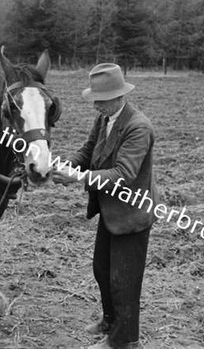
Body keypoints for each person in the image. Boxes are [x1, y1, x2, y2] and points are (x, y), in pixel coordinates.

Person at [53, 63, 158, 349]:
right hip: (111, 212)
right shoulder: (105, 118)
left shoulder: (138, 127)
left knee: (124, 280)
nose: (95, 105)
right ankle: (110, 320)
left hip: (131, 214)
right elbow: (88, 151)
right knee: (102, 269)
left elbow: (123, 175)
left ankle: (124, 341)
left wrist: (77, 177)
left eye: (100, 99)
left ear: (118, 96)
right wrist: (65, 165)